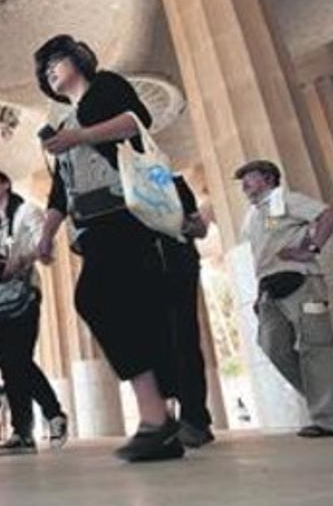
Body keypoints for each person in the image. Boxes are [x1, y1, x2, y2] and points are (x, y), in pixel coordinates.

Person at [33, 34, 186, 463]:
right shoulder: (62, 122)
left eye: (56, 63)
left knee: (96, 299)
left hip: (126, 214)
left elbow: (136, 122)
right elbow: (60, 188)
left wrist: (80, 135)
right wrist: (46, 233)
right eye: (46, 71)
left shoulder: (106, 87)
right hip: (93, 227)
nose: (51, 73)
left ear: (77, 59)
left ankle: (157, 417)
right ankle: (160, 420)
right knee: (129, 308)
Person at [235, 159, 333, 438]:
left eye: (248, 179)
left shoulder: (287, 200)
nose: (243, 186)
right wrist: (259, 292)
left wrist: (312, 247)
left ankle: (330, 420)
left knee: (316, 347)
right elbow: (264, 252)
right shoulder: (254, 215)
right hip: (269, 289)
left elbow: (329, 214)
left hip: (303, 282)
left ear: (268, 179)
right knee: (272, 346)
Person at [0, 170, 69, 454]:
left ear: (6, 184)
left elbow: (45, 245)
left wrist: (21, 259)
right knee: (8, 366)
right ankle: (22, 433)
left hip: (23, 294)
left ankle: (54, 414)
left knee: (19, 359)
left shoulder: (26, 211)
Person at [159, 176, 216, 448]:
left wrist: (175, 222)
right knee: (156, 345)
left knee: (183, 339)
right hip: (140, 271)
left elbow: (200, 229)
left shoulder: (172, 182)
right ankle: (167, 417)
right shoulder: (114, 186)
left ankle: (194, 418)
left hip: (177, 266)